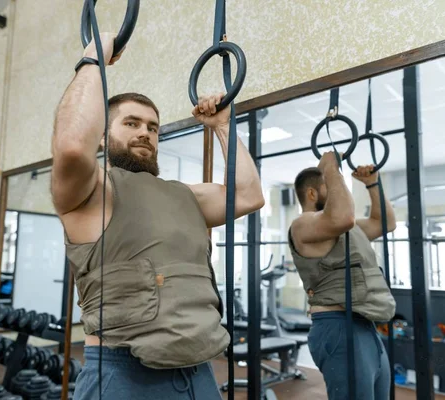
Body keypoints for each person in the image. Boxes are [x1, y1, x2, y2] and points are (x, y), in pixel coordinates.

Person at [50, 32, 265, 400]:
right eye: (131, 123)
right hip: (124, 376)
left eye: (152, 127)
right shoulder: (94, 192)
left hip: (200, 373)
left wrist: (223, 126)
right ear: (102, 136)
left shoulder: (184, 195)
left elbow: (248, 195)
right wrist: (93, 59)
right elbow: (71, 147)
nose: (145, 133)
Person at [287, 151, 397, 400]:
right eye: (331, 186)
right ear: (312, 194)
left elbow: (386, 222)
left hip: (366, 325)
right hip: (338, 326)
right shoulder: (302, 225)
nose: (340, 192)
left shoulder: (346, 227)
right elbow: (344, 216)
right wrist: (329, 168)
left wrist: (372, 183)